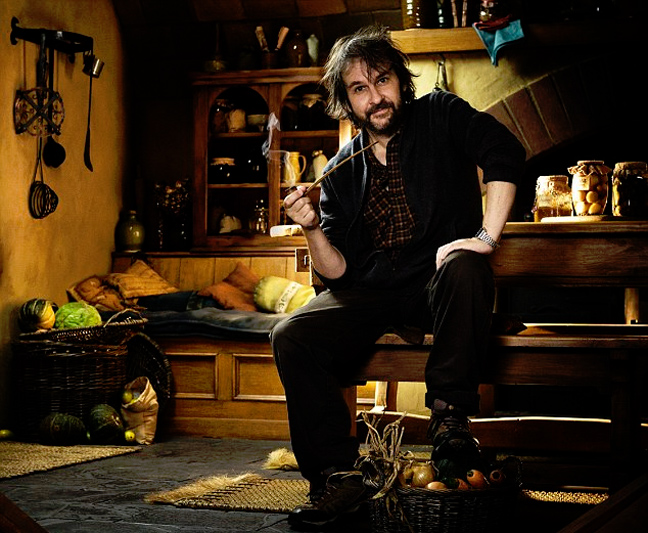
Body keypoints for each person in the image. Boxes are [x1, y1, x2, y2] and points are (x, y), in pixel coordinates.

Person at [271, 25, 526, 528]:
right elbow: (339, 273)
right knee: (291, 334)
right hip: (372, 292)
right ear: (346, 101)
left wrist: (486, 237)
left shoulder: (441, 114)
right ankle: (337, 477)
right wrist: (312, 228)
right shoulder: (341, 168)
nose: (375, 97)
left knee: (465, 264)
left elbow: (505, 152)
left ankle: (450, 424)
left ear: (399, 82)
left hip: (439, 285)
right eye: (359, 88)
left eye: (382, 80)